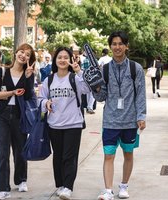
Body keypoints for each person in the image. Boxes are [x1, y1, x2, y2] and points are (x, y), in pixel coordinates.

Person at [93, 31, 146, 200]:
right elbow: (101, 98)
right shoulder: (105, 69)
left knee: (128, 154)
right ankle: (108, 190)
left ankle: (124, 186)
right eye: (114, 44)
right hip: (110, 120)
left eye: (120, 44)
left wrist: (141, 116)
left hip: (130, 121)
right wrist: (96, 87)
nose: (117, 47)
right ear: (110, 47)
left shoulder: (135, 68)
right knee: (109, 155)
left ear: (126, 46)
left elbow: (141, 94)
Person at [38, 47, 90, 200]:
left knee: (70, 157)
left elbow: (87, 89)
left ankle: (68, 187)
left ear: (70, 60)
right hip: (54, 124)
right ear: (55, 60)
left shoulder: (74, 78)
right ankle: (60, 184)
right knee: (58, 156)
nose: (62, 60)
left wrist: (79, 71)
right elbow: (40, 99)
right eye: (59, 57)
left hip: (73, 124)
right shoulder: (49, 79)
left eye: (65, 57)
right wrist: (45, 102)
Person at [0, 43, 36, 200]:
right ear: (16, 53)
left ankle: (21, 179)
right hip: (2, 116)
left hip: (20, 116)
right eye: (22, 52)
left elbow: (30, 96)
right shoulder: (3, 71)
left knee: (20, 151)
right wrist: (12, 92)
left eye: (28, 55)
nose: (23, 55)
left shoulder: (28, 74)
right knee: (2, 152)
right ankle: (3, 188)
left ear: (30, 59)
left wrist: (29, 78)